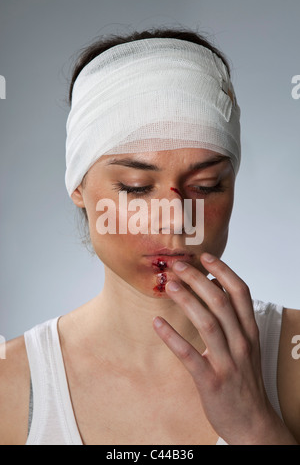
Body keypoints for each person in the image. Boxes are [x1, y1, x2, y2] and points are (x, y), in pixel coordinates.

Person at [0, 27, 299, 446]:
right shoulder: (9, 387)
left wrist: (256, 428)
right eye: (137, 187)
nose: (175, 219)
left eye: (207, 184)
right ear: (79, 189)